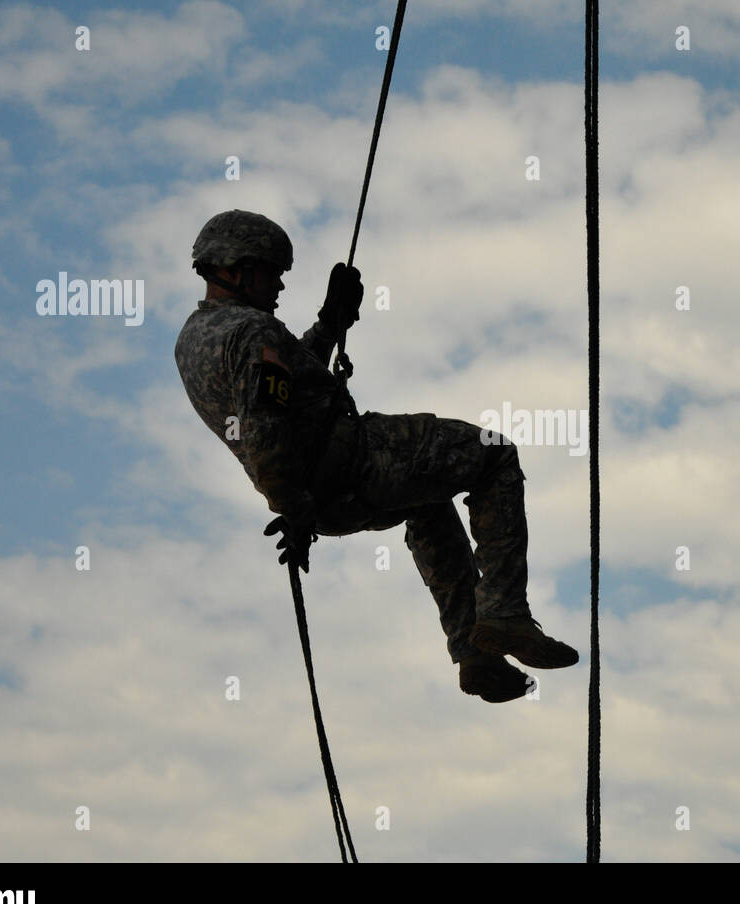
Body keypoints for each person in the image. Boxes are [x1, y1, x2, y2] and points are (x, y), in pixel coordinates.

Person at [174, 210, 578, 703]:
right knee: (494, 456)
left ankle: (476, 655)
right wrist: (291, 507)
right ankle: (505, 612)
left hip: (333, 503)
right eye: (272, 272)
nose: (280, 284)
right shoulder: (250, 332)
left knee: (429, 501)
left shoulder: (198, 340)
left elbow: (286, 401)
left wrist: (329, 325)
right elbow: (265, 424)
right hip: (358, 462)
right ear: (234, 268)